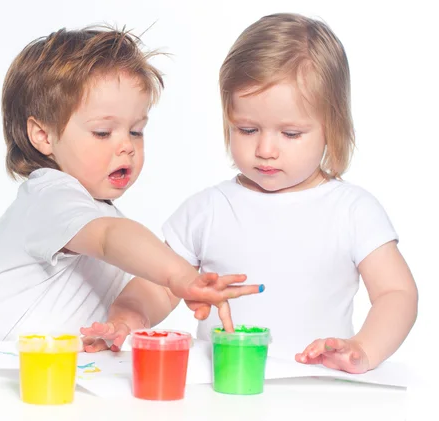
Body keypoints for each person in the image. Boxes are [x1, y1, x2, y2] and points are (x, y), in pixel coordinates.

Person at [82, 14, 418, 373]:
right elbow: (159, 286)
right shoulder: (208, 209)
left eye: (290, 134)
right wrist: (126, 319)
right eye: (247, 129)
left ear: (332, 128)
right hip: (224, 388)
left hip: (319, 389)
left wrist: (363, 349)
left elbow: (396, 294)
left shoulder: (353, 211)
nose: (266, 149)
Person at [0, 25, 262, 342]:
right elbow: (109, 239)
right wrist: (182, 276)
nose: (126, 146)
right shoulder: (50, 197)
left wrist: (128, 319)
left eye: (136, 131)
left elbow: (148, 280)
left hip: (40, 377)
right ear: (43, 136)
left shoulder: (99, 213)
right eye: (103, 132)